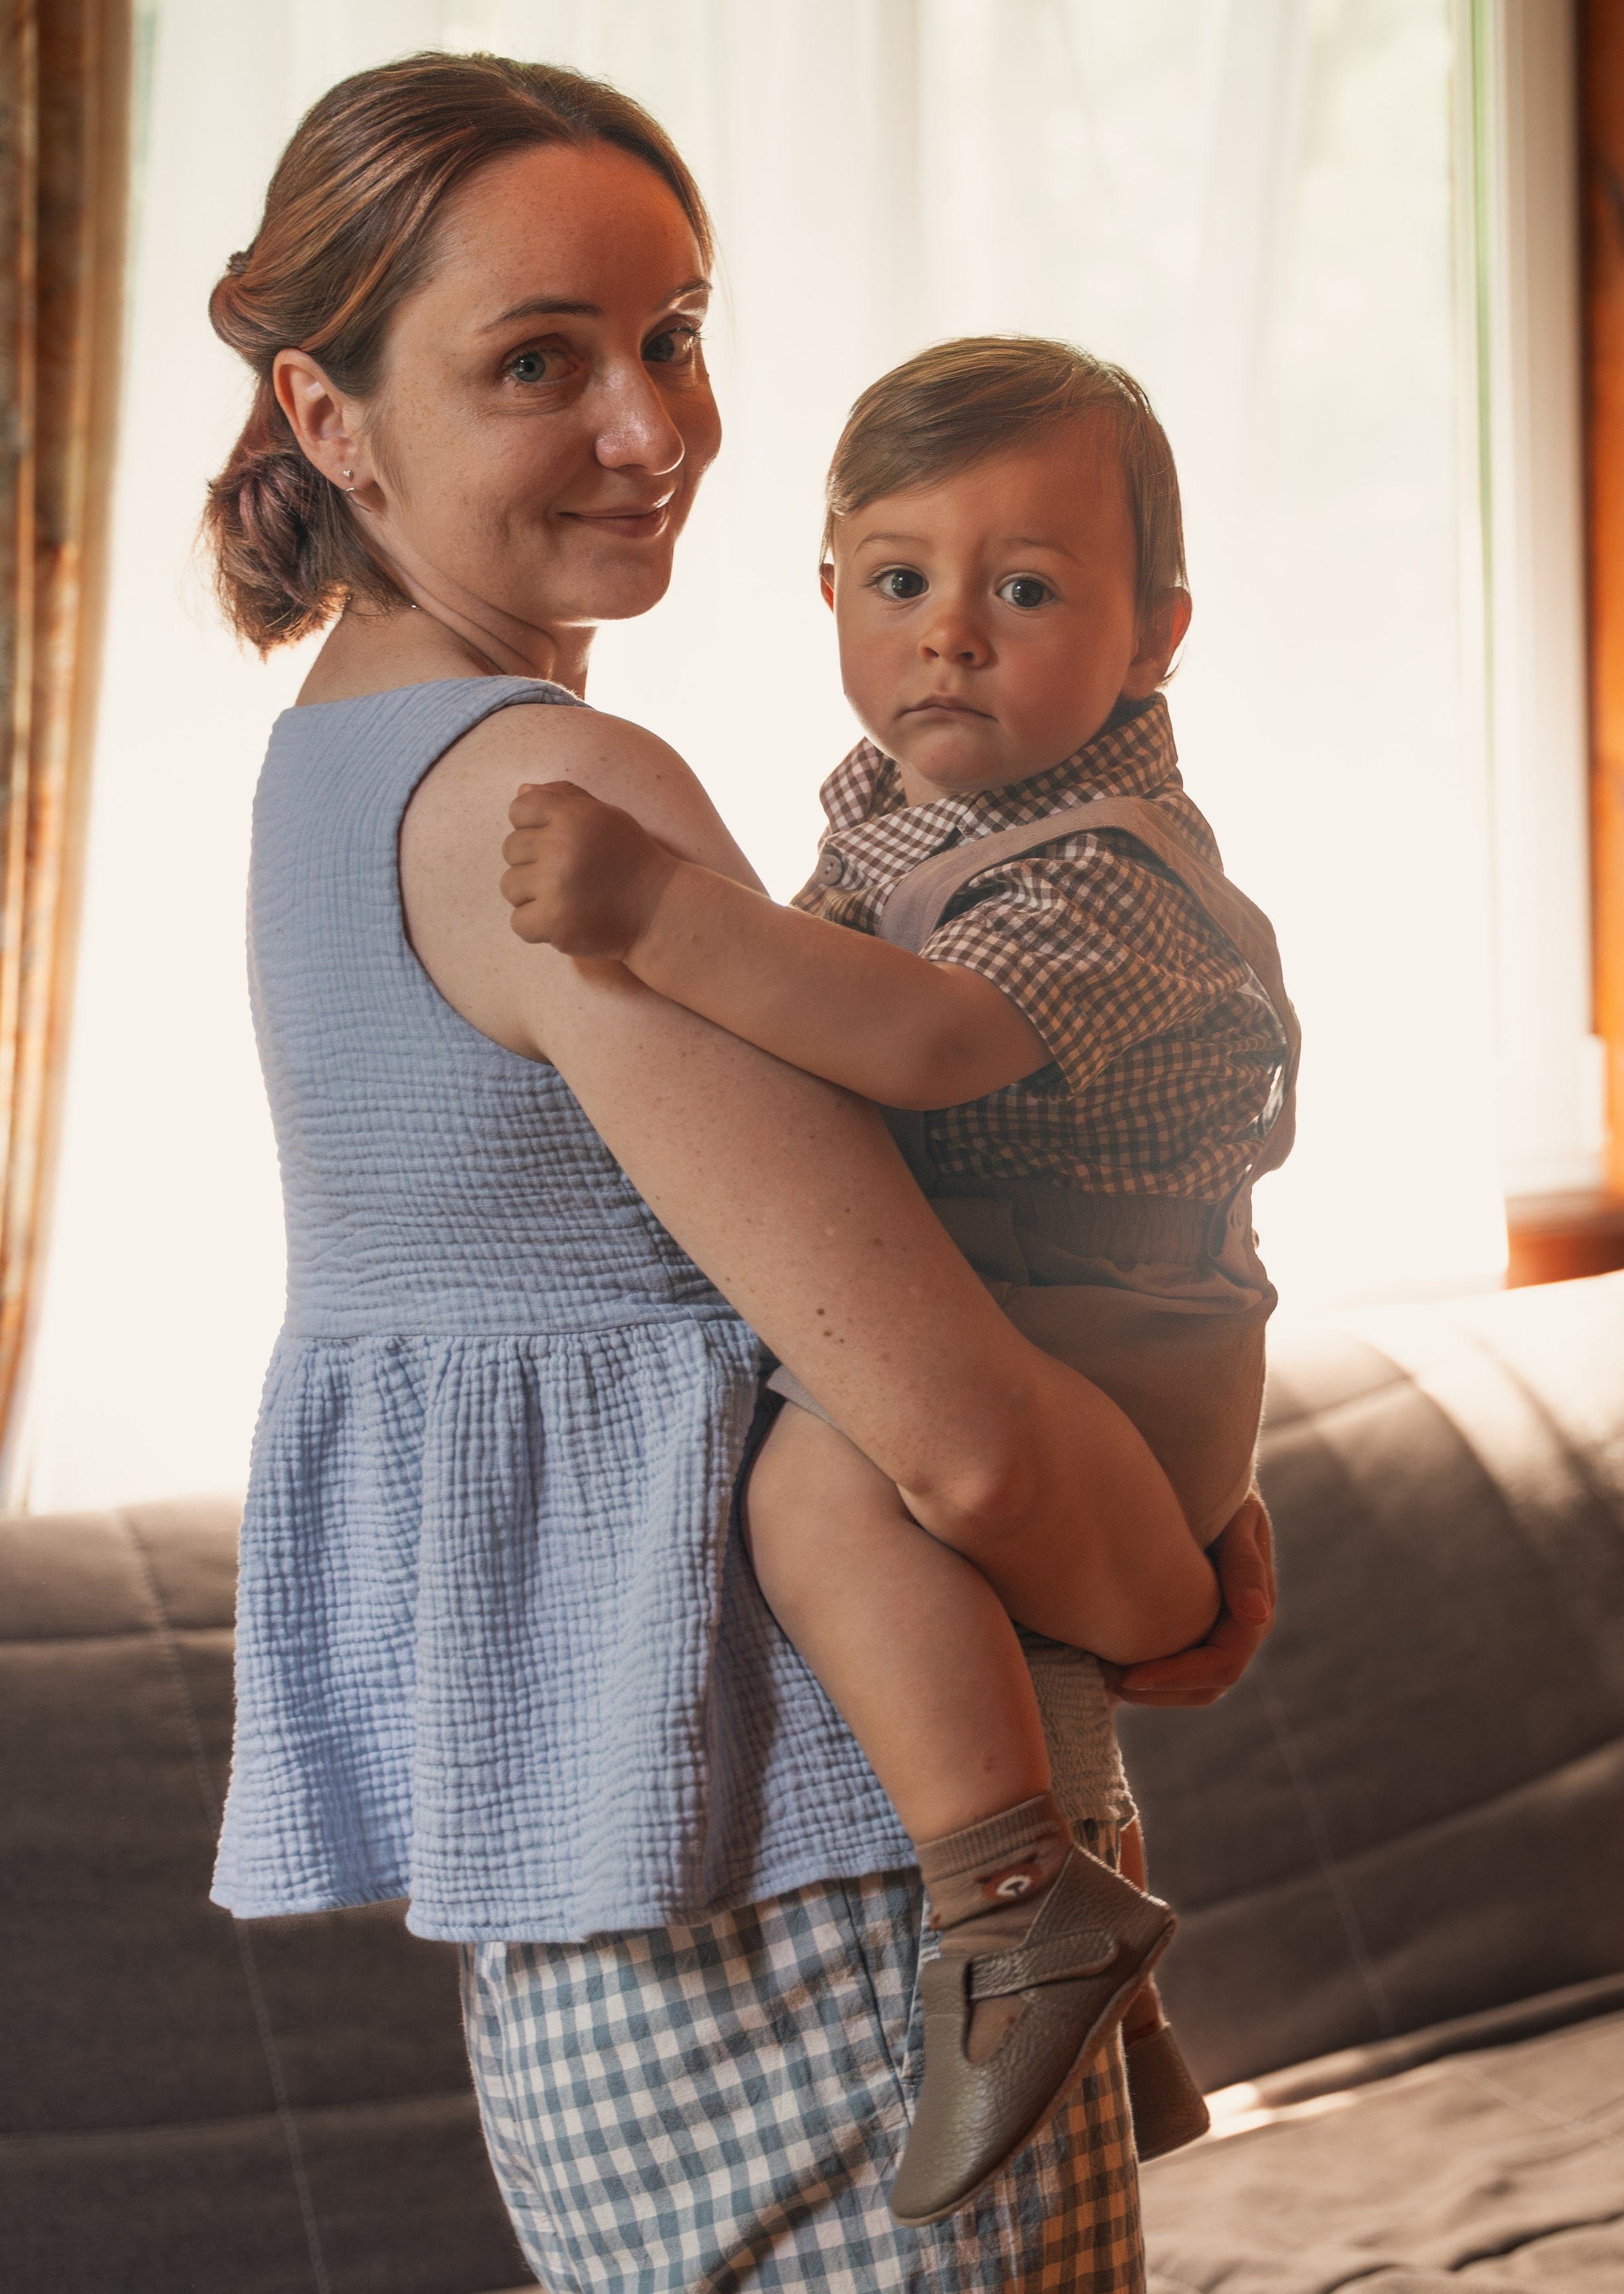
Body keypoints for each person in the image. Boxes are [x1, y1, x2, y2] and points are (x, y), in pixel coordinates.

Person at [204, 51, 1274, 2294]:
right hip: (836, 1901)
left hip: (578, 1927)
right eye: (538, 363)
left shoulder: (325, 775)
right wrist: (1180, 1599)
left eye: (675, 336)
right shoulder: (558, 796)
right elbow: (966, 1452)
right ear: (328, 416)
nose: (655, 427)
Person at [500, 336, 1297, 2222]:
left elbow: (926, 1044)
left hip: (1132, 1333)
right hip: (1043, 1317)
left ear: (1153, 634)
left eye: (1025, 591)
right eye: (901, 582)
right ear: (833, 591)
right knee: (959, 1578)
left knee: (827, 1482)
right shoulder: (899, 806)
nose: (951, 632)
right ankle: (1114, 2008)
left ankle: (1012, 1904)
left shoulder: (1107, 865)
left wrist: (664, 920)